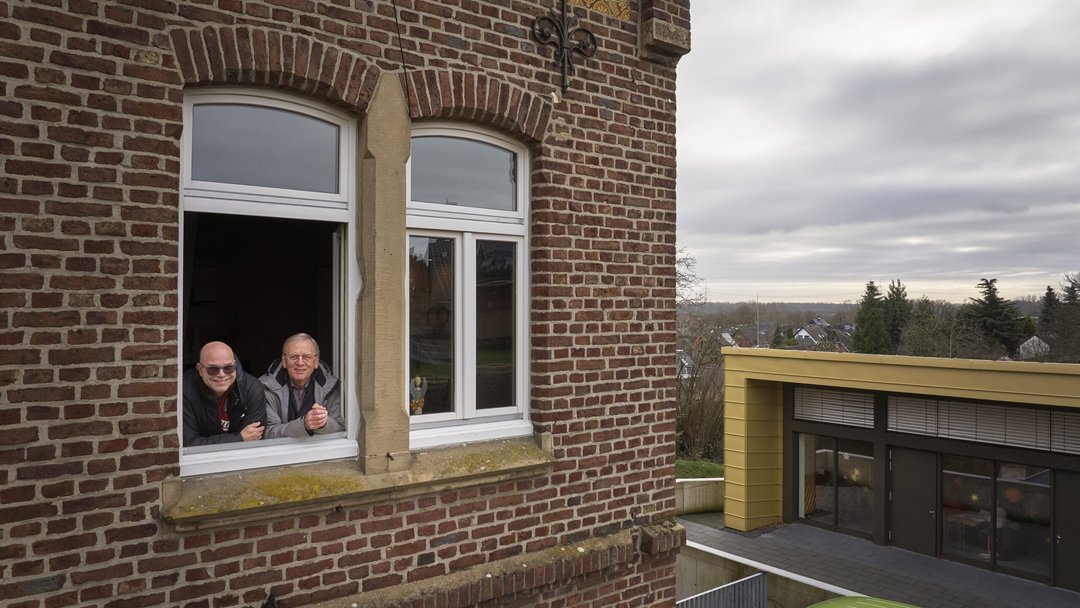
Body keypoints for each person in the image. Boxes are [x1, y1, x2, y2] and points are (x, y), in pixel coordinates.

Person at [260, 333, 344, 439]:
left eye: (306, 357)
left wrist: (322, 423)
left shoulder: (331, 387)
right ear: (284, 361)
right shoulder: (265, 388)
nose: (300, 363)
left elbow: (340, 428)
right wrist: (303, 425)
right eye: (294, 357)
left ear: (316, 362)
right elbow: (268, 433)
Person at [182, 341, 266, 446]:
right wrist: (239, 438)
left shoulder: (252, 388)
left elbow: (253, 438)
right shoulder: (183, 390)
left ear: (235, 365)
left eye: (228, 368)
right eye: (213, 369)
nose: (221, 374)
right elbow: (188, 444)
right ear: (200, 369)